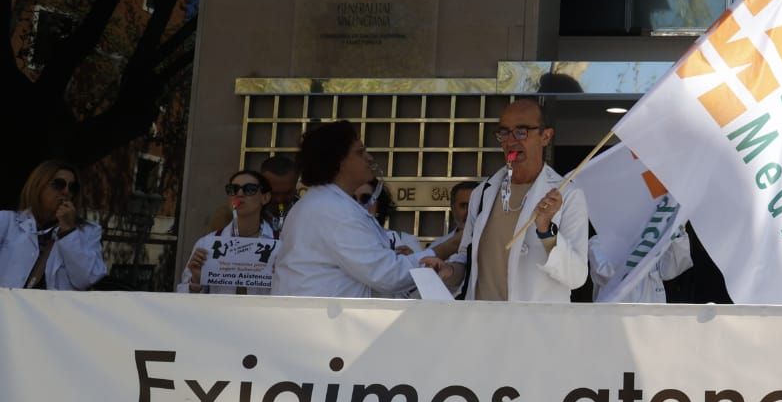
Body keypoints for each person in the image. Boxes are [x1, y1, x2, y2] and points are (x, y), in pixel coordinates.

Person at [271, 121, 449, 299]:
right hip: (323, 316)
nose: (369, 158)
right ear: (338, 160)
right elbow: (387, 275)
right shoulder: (334, 209)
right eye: (360, 152)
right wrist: (446, 248)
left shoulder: (322, 202)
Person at [448, 98, 587, 302]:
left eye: (521, 132)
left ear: (546, 136)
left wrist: (546, 230)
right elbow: (467, 258)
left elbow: (576, 276)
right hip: (482, 319)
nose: (511, 141)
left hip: (534, 321)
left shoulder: (567, 195)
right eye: (504, 132)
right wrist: (449, 270)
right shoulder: (483, 193)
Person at [0, 159, 107, 290]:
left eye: (72, 187)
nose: (66, 192)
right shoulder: (7, 221)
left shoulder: (89, 231)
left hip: (55, 304)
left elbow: (86, 280)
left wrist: (68, 231)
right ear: (38, 186)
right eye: (58, 184)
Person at [177, 169, 278, 295]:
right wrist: (196, 280)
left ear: (265, 197)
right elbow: (183, 299)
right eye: (233, 189)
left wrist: (281, 279)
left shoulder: (281, 245)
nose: (239, 194)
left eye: (250, 189)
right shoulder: (206, 244)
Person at [589, 224, 692, 304]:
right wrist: (640, 245)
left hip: (651, 316)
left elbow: (669, 271)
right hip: (617, 317)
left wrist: (677, 232)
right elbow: (606, 275)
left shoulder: (653, 238)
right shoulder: (598, 241)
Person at [260, 154, 300, 236]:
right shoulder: (248, 212)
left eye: (288, 193)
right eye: (274, 193)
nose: (280, 199)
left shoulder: (308, 212)